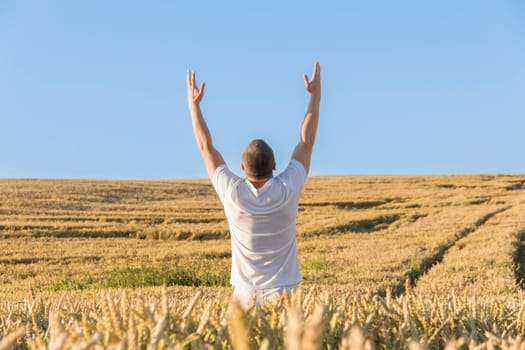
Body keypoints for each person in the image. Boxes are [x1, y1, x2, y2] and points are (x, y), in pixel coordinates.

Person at [186, 62, 321, 308]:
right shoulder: (287, 189)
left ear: (241, 167)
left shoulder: (233, 192)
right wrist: (315, 97)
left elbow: (206, 147)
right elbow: (307, 142)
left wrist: (194, 106)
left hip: (244, 296)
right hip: (285, 294)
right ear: (274, 165)